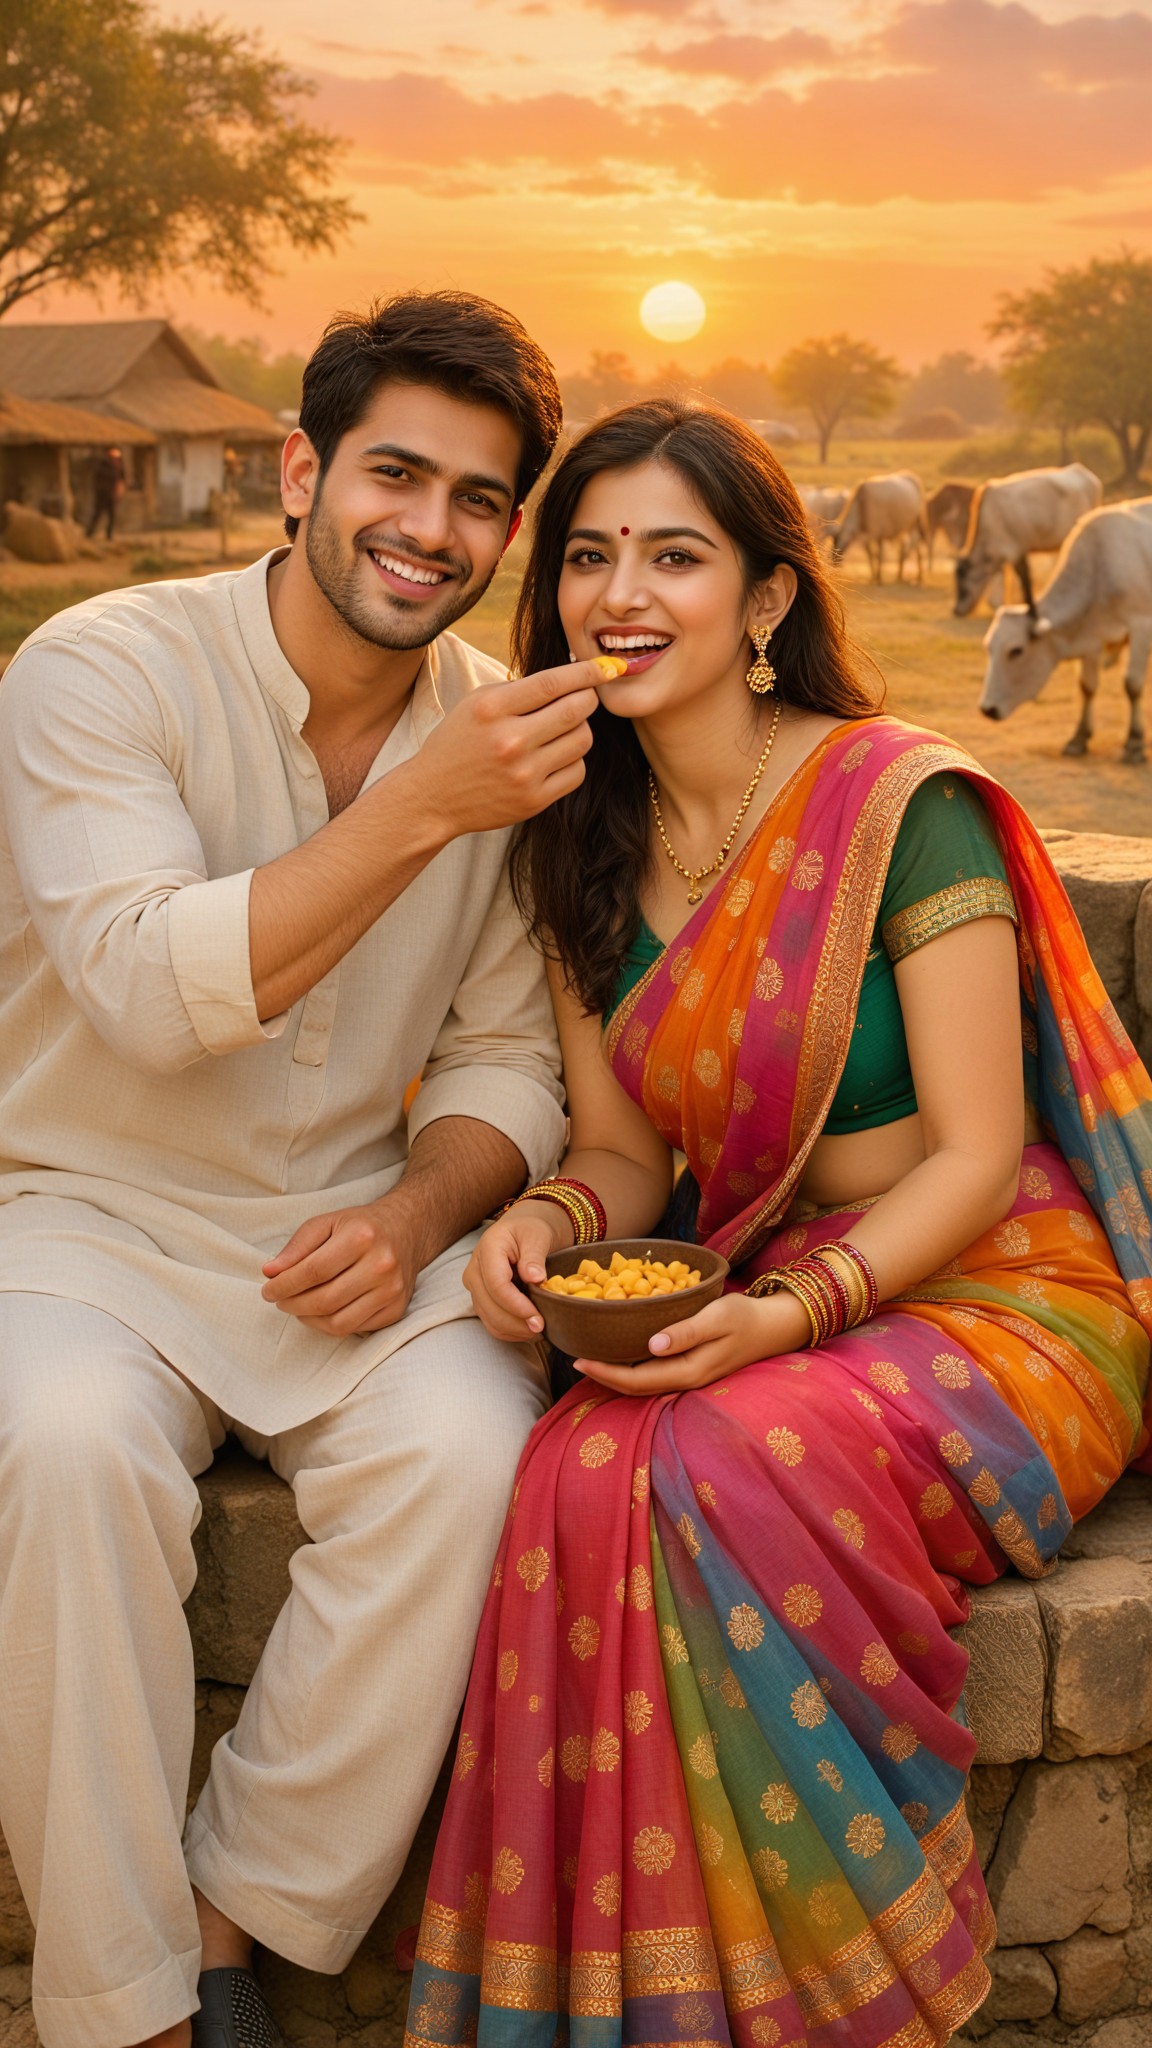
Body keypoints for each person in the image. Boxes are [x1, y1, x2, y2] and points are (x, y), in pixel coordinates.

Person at [408, 398, 1152, 2048]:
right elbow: (617, 1149)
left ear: (760, 599)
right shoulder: (580, 843)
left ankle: (839, 1996)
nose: (622, 589)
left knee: (716, 1456)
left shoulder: (896, 803)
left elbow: (970, 1151)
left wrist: (795, 1309)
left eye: (674, 553)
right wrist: (544, 1214)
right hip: (770, 1299)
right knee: (575, 1467)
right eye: (589, 553)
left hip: (997, 1294)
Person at [0, 291, 621, 2048]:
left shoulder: (506, 728)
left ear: (511, 533)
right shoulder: (101, 667)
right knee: (56, 1448)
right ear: (301, 468)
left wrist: (418, 1213)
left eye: (480, 499)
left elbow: (508, 1056)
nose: (430, 530)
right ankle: (125, 2011)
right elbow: (138, 979)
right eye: (395, 475)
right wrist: (424, 802)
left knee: (469, 1450)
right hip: (79, 1216)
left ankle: (229, 1914)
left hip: (350, 1229)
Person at [87, 444, 126, 538]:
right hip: (102, 494)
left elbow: (121, 479)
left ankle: (109, 535)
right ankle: (89, 533)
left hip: (111, 495)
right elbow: (99, 479)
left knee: (112, 516)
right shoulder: (103, 465)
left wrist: (119, 491)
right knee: (97, 514)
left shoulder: (119, 465)